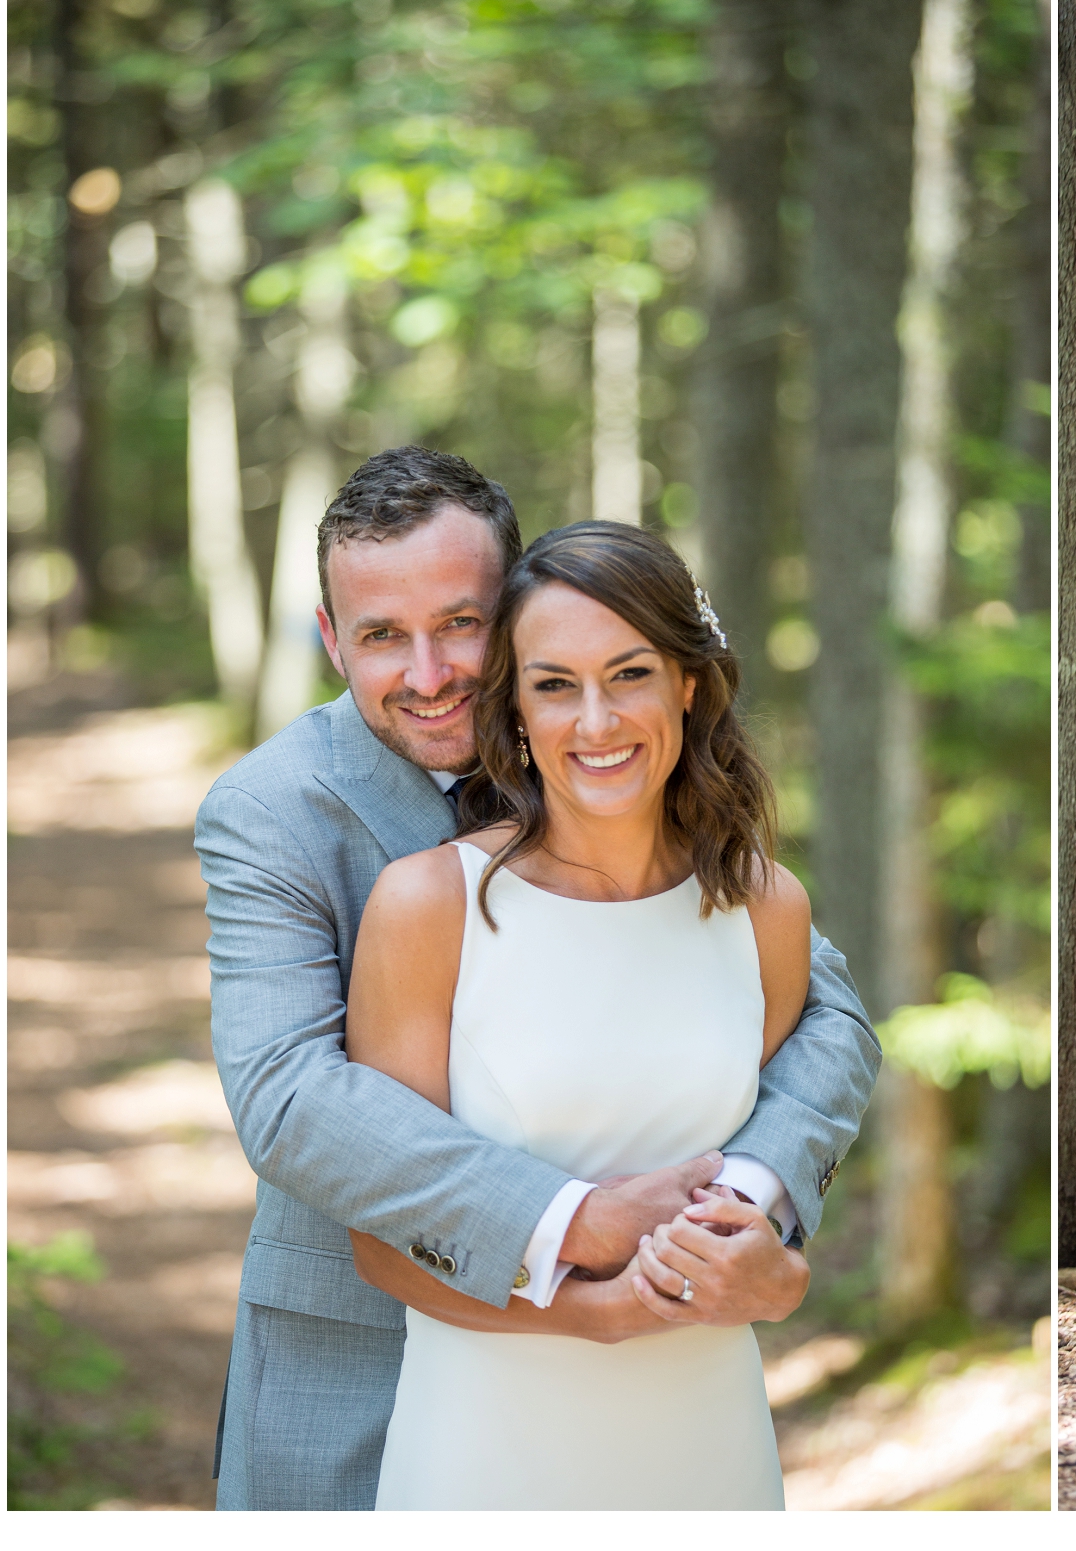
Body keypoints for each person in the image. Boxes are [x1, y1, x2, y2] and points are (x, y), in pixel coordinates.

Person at [198, 449, 878, 1509]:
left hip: (668, 1384)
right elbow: (288, 1097)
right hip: (354, 1348)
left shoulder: (663, 809)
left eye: (461, 623)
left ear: (512, 614)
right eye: (382, 634)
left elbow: (829, 1011)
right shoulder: (272, 809)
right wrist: (577, 1220)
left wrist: (751, 1212)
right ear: (333, 638)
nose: (429, 673)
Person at [348, 518, 801, 1507]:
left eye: (629, 673)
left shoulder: (767, 907)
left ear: (689, 679)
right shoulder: (429, 906)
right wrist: (589, 1314)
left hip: (709, 1440)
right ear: (515, 710)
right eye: (555, 685)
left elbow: (769, 1172)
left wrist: (782, 1276)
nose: (595, 721)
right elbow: (383, 1239)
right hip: (486, 1445)